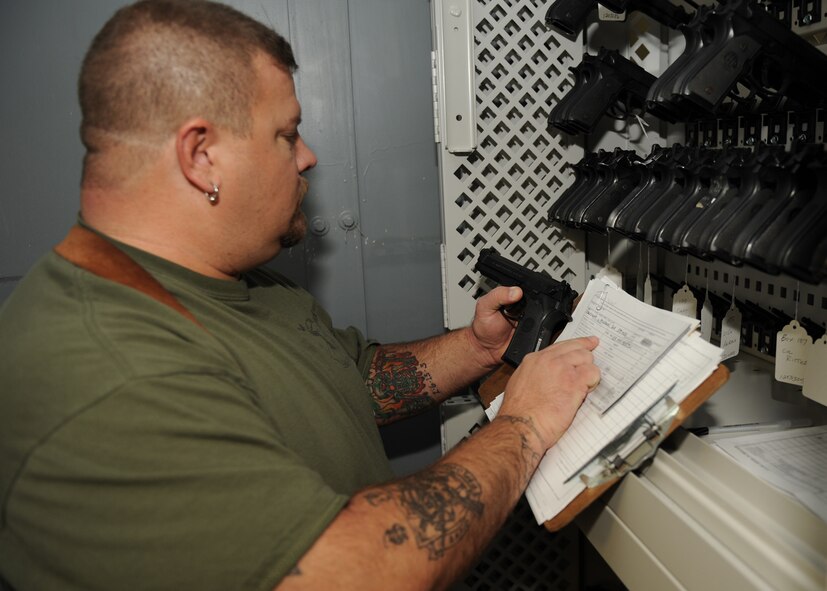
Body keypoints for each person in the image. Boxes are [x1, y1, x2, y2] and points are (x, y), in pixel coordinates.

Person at [0, 1, 600, 589]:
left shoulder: (236, 280)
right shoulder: (106, 370)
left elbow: (349, 379)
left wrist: (477, 349)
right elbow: (353, 574)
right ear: (201, 156)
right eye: (287, 134)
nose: (307, 156)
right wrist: (525, 424)